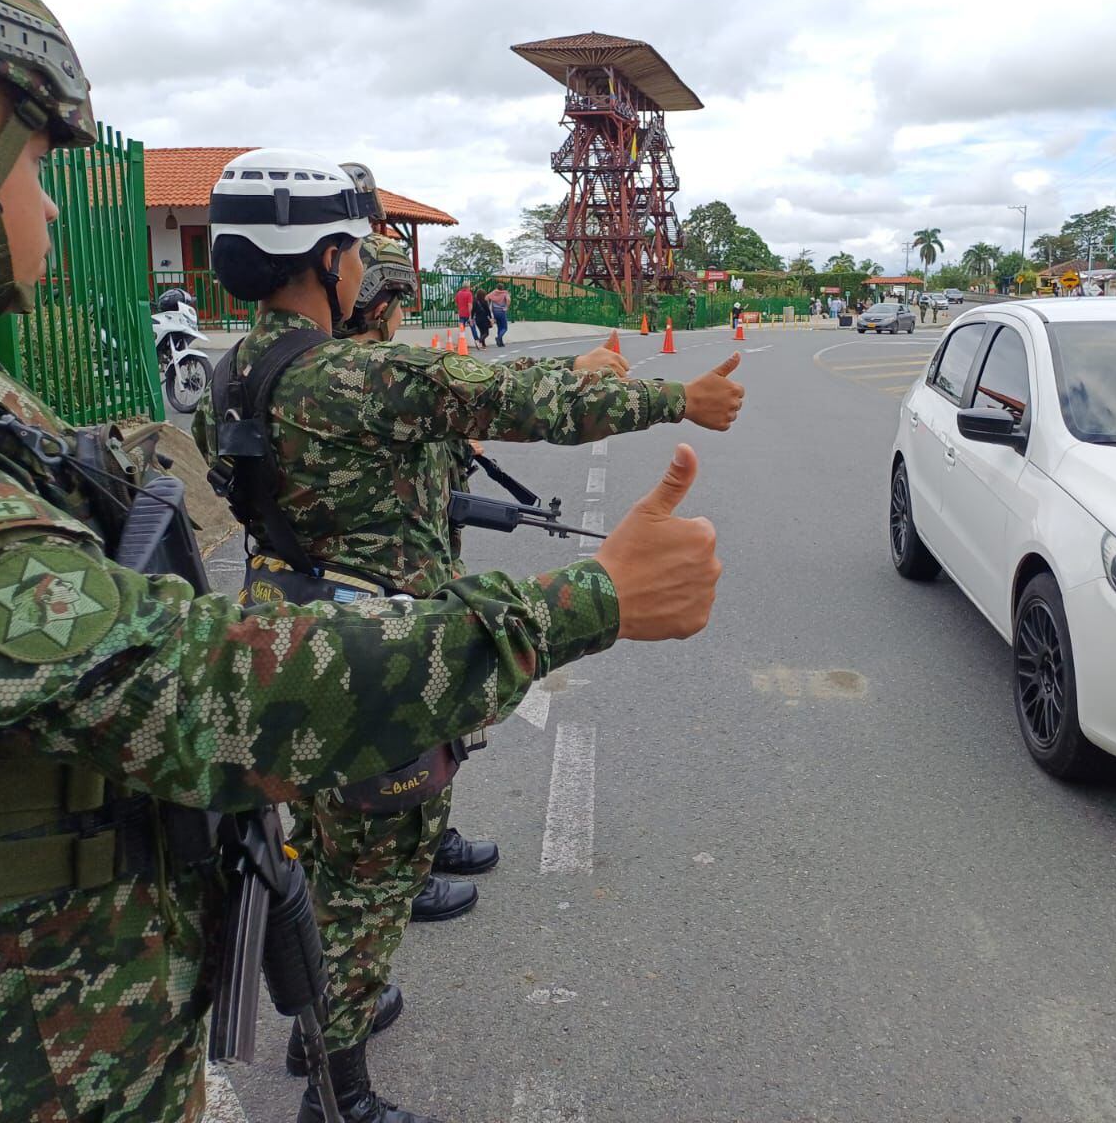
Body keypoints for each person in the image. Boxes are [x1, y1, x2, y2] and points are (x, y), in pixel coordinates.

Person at [0, 0, 724, 1121]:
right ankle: (340, 1084)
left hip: (80, 1000)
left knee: (332, 870)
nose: (49, 207)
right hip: (4, 1061)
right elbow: (170, 675)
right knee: (365, 881)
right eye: (38, 169)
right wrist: (594, 590)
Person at [197, 164, 745, 1122]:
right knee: (372, 885)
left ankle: (314, 1028)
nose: (367, 268)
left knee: (320, 850)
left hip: (285, 644)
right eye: (360, 251)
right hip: (384, 660)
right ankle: (340, 1093)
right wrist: (676, 402)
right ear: (327, 260)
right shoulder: (367, 375)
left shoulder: (226, 379)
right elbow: (527, 405)